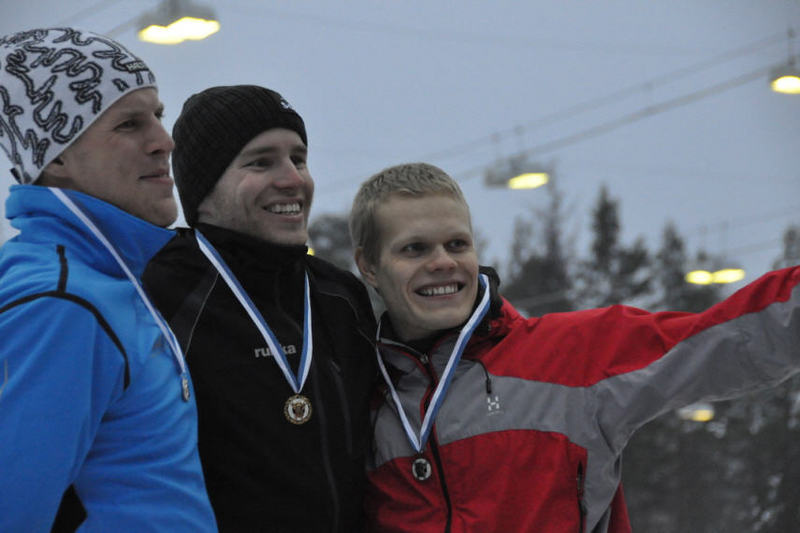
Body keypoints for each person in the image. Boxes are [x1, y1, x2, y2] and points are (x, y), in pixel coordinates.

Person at [349, 162, 800, 533]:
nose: (443, 262)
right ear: (369, 266)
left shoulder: (571, 355)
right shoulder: (358, 395)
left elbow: (719, 340)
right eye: (414, 249)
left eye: (457, 244)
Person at [0, 27, 216, 531]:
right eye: (129, 124)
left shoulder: (102, 281)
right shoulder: (61, 302)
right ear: (56, 156)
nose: (164, 142)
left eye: (158, 116)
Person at [142, 84, 377, 532]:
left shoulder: (339, 296)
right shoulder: (157, 292)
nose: (293, 179)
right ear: (204, 185)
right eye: (261, 162)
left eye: (299, 159)